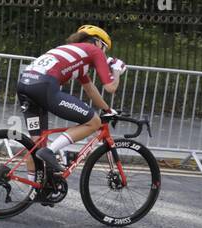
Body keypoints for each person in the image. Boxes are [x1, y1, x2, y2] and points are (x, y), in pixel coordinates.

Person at [18, 25, 124, 175]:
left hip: (24, 85)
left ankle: (32, 192)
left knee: (35, 145)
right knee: (94, 122)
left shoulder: (73, 53)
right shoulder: (94, 50)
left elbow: (90, 89)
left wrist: (107, 110)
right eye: (105, 48)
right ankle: (50, 151)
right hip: (44, 86)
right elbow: (110, 87)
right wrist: (117, 70)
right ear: (98, 42)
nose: (104, 53)